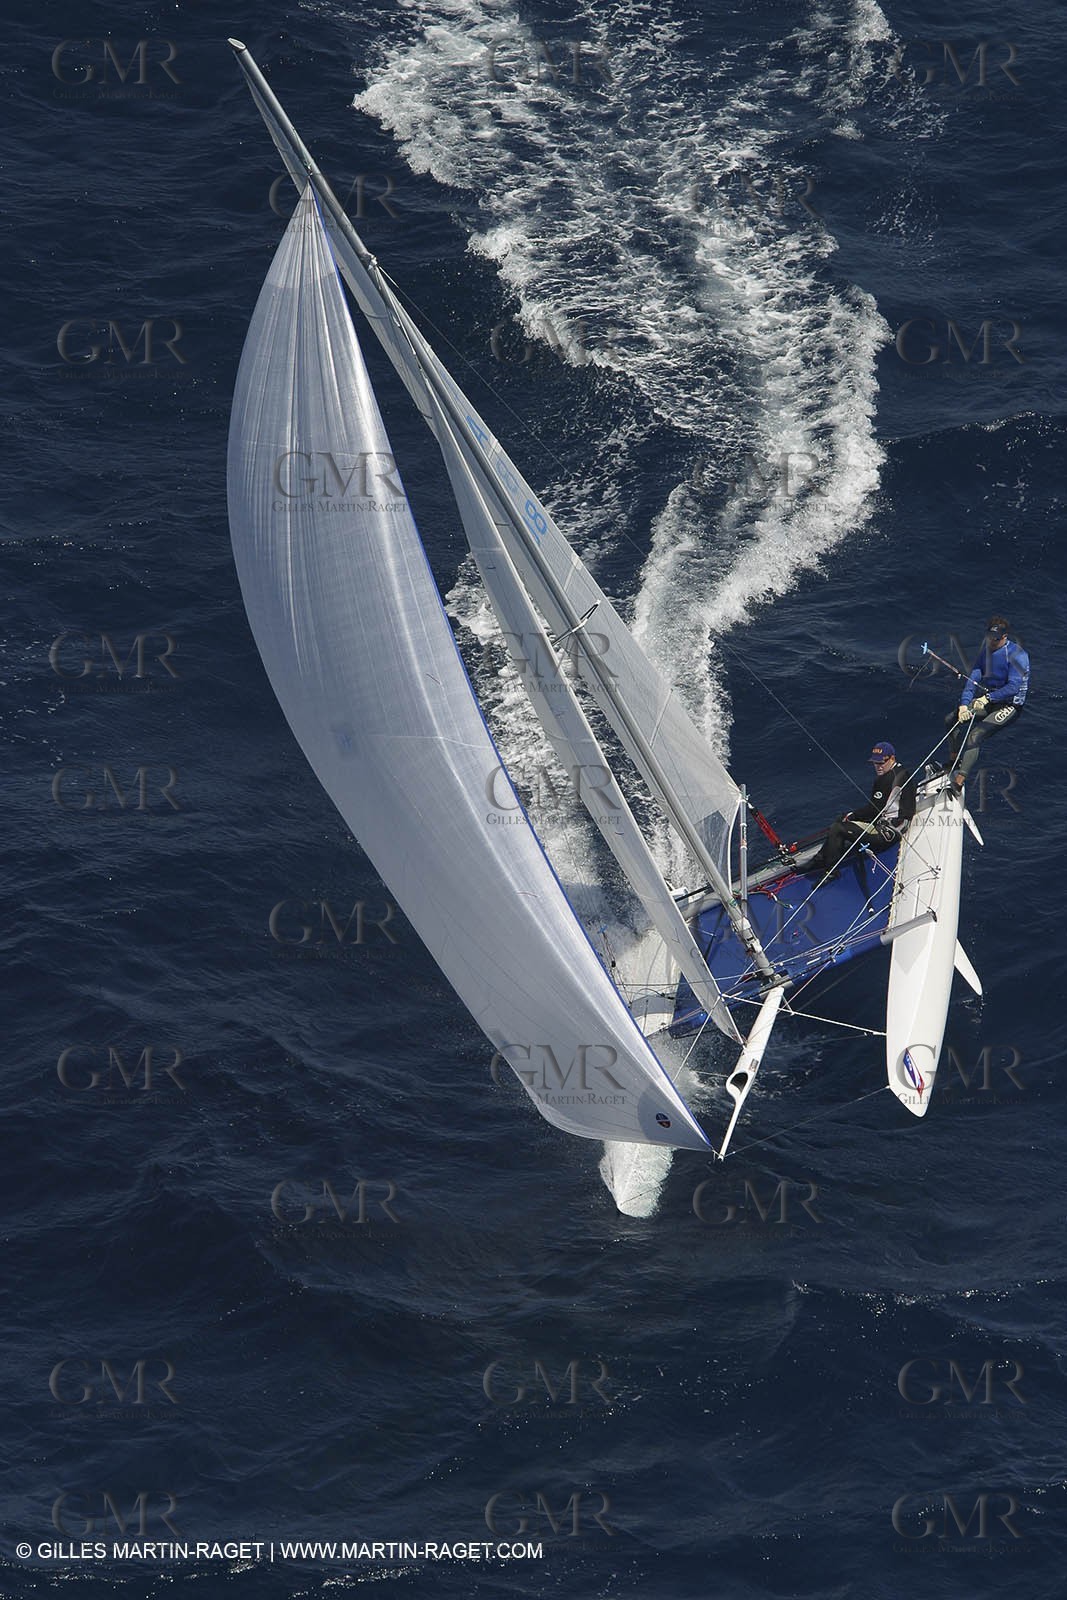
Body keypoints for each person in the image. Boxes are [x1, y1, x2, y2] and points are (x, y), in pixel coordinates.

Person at [944, 616, 1029, 793]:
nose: (992, 641)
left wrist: (987, 698)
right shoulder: (985, 653)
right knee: (951, 719)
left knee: (975, 736)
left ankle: (959, 782)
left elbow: (1014, 687)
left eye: (996, 639)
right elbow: (972, 681)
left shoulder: (1017, 655)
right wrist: (964, 705)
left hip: (1009, 705)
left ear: (1005, 636)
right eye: (989, 637)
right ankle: (954, 761)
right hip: (989, 700)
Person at [811, 742, 916, 879]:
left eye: (881, 763)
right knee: (844, 822)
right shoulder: (902, 771)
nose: (878, 766)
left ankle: (831, 871)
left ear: (892, 758)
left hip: (889, 832)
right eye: (875, 763)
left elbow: (874, 810)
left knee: (838, 828)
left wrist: (852, 816)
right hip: (898, 823)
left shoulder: (886, 779)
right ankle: (820, 858)